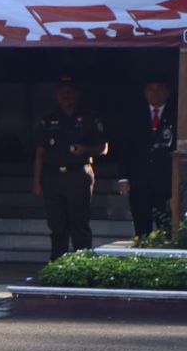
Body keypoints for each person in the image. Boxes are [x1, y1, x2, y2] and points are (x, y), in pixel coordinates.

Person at [34, 76, 107, 260]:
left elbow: (103, 147)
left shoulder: (90, 116)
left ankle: (82, 263)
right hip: (53, 176)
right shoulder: (48, 118)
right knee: (56, 224)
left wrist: (85, 150)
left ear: (77, 93)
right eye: (62, 92)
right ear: (57, 94)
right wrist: (37, 181)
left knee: (79, 223)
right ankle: (57, 264)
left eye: (70, 91)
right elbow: (40, 152)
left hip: (78, 174)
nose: (66, 95)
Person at [118, 76, 176, 238]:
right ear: (145, 92)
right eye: (151, 89)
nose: (155, 93)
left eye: (159, 89)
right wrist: (123, 177)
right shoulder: (134, 115)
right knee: (141, 225)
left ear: (167, 92)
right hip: (140, 180)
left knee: (167, 226)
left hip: (167, 181)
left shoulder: (177, 114)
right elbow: (125, 147)